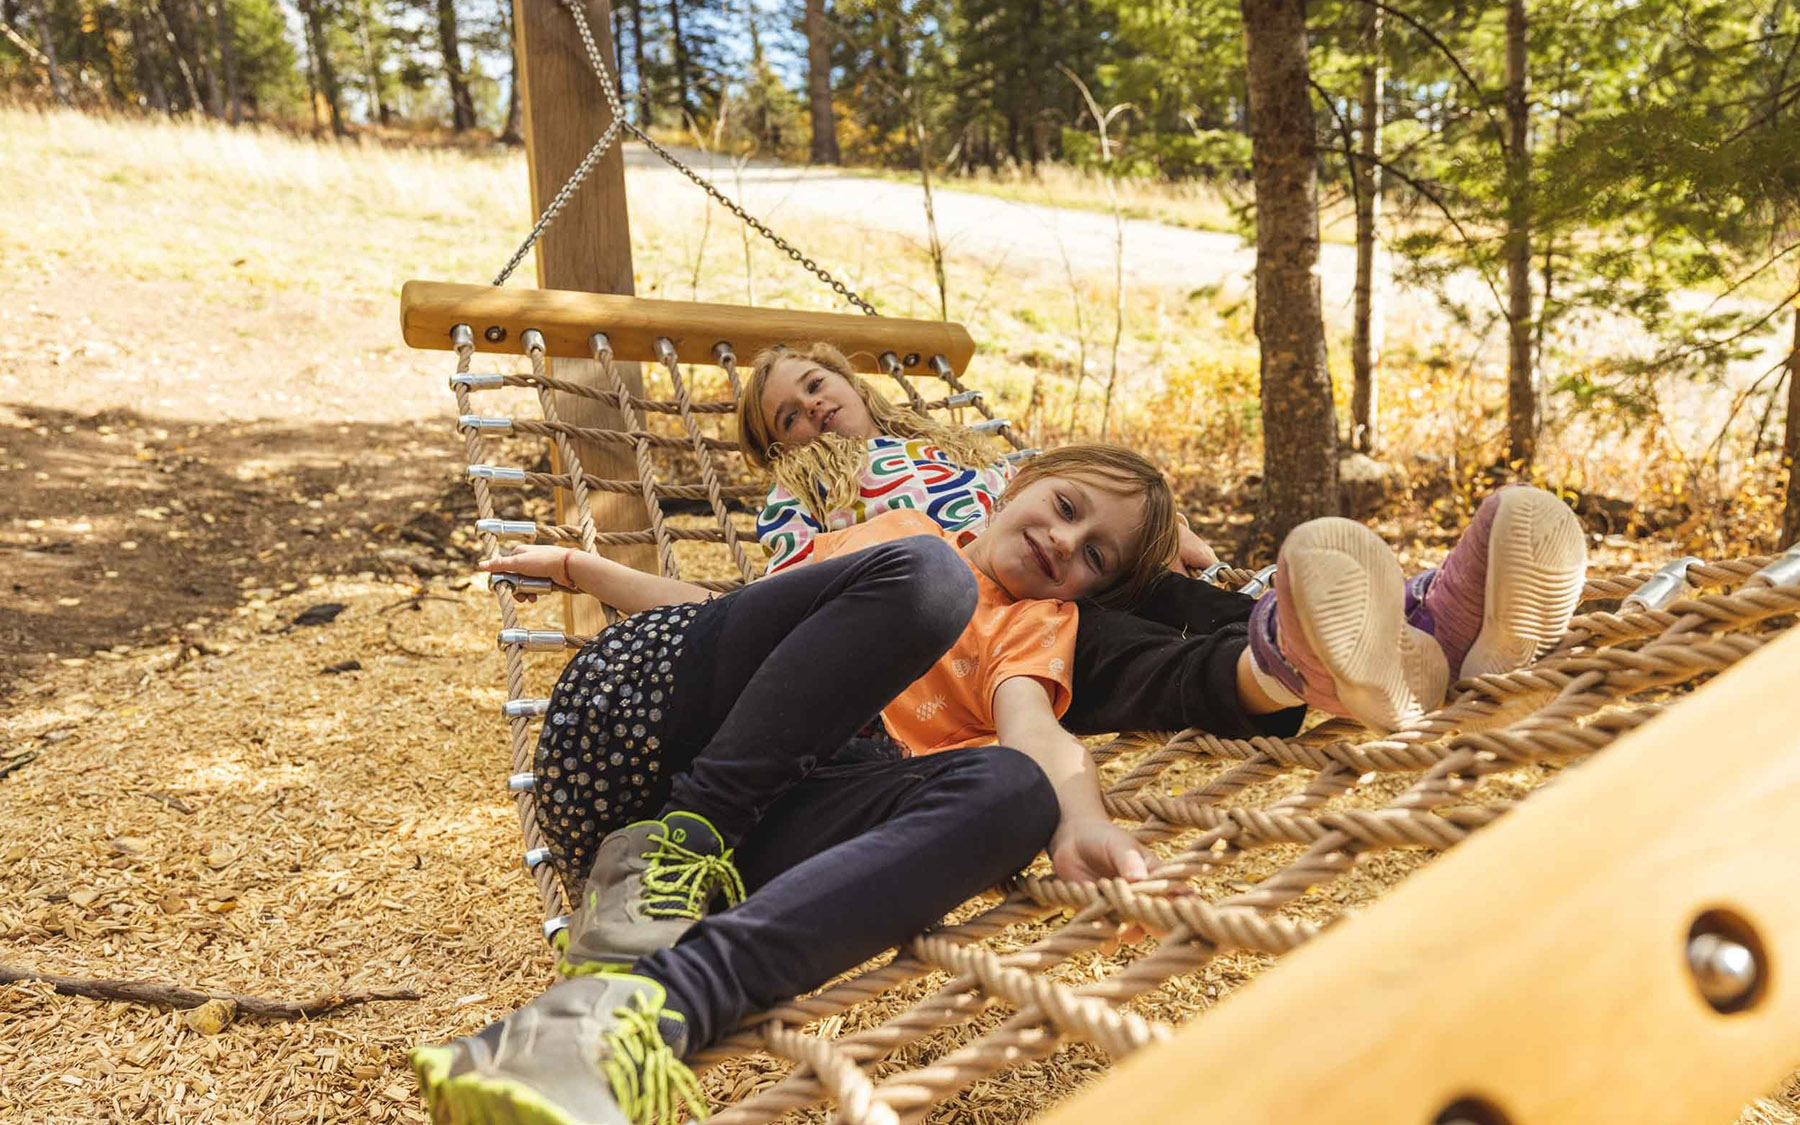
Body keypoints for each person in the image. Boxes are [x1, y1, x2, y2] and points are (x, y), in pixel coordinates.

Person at [412, 445, 1201, 1124]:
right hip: (650, 723)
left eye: (1096, 555)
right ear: (1019, 480)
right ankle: (677, 842)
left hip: (757, 836)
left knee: (1016, 789)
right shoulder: (905, 540)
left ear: (1092, 593)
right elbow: (734, 618)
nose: (1065, 540)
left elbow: (1036, 731)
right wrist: (590, 571)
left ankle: (626, 1020)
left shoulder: (1037, 625)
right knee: (931, 579)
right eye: (1065, 505)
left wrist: (1080, 818)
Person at [736, 341, 1589, 735]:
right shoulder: (804, 489)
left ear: (848, 378)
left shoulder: (944, 444)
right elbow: (793, 592)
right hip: (977, 626)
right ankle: (1316, 655)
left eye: (816, 385)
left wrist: (1160, 531)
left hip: (1064, 564)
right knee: (1117, 642)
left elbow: (1056, 486)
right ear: (779, 445)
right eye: (788, 416)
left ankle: (1421, 630)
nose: (812, 409)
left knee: (1180, 596)